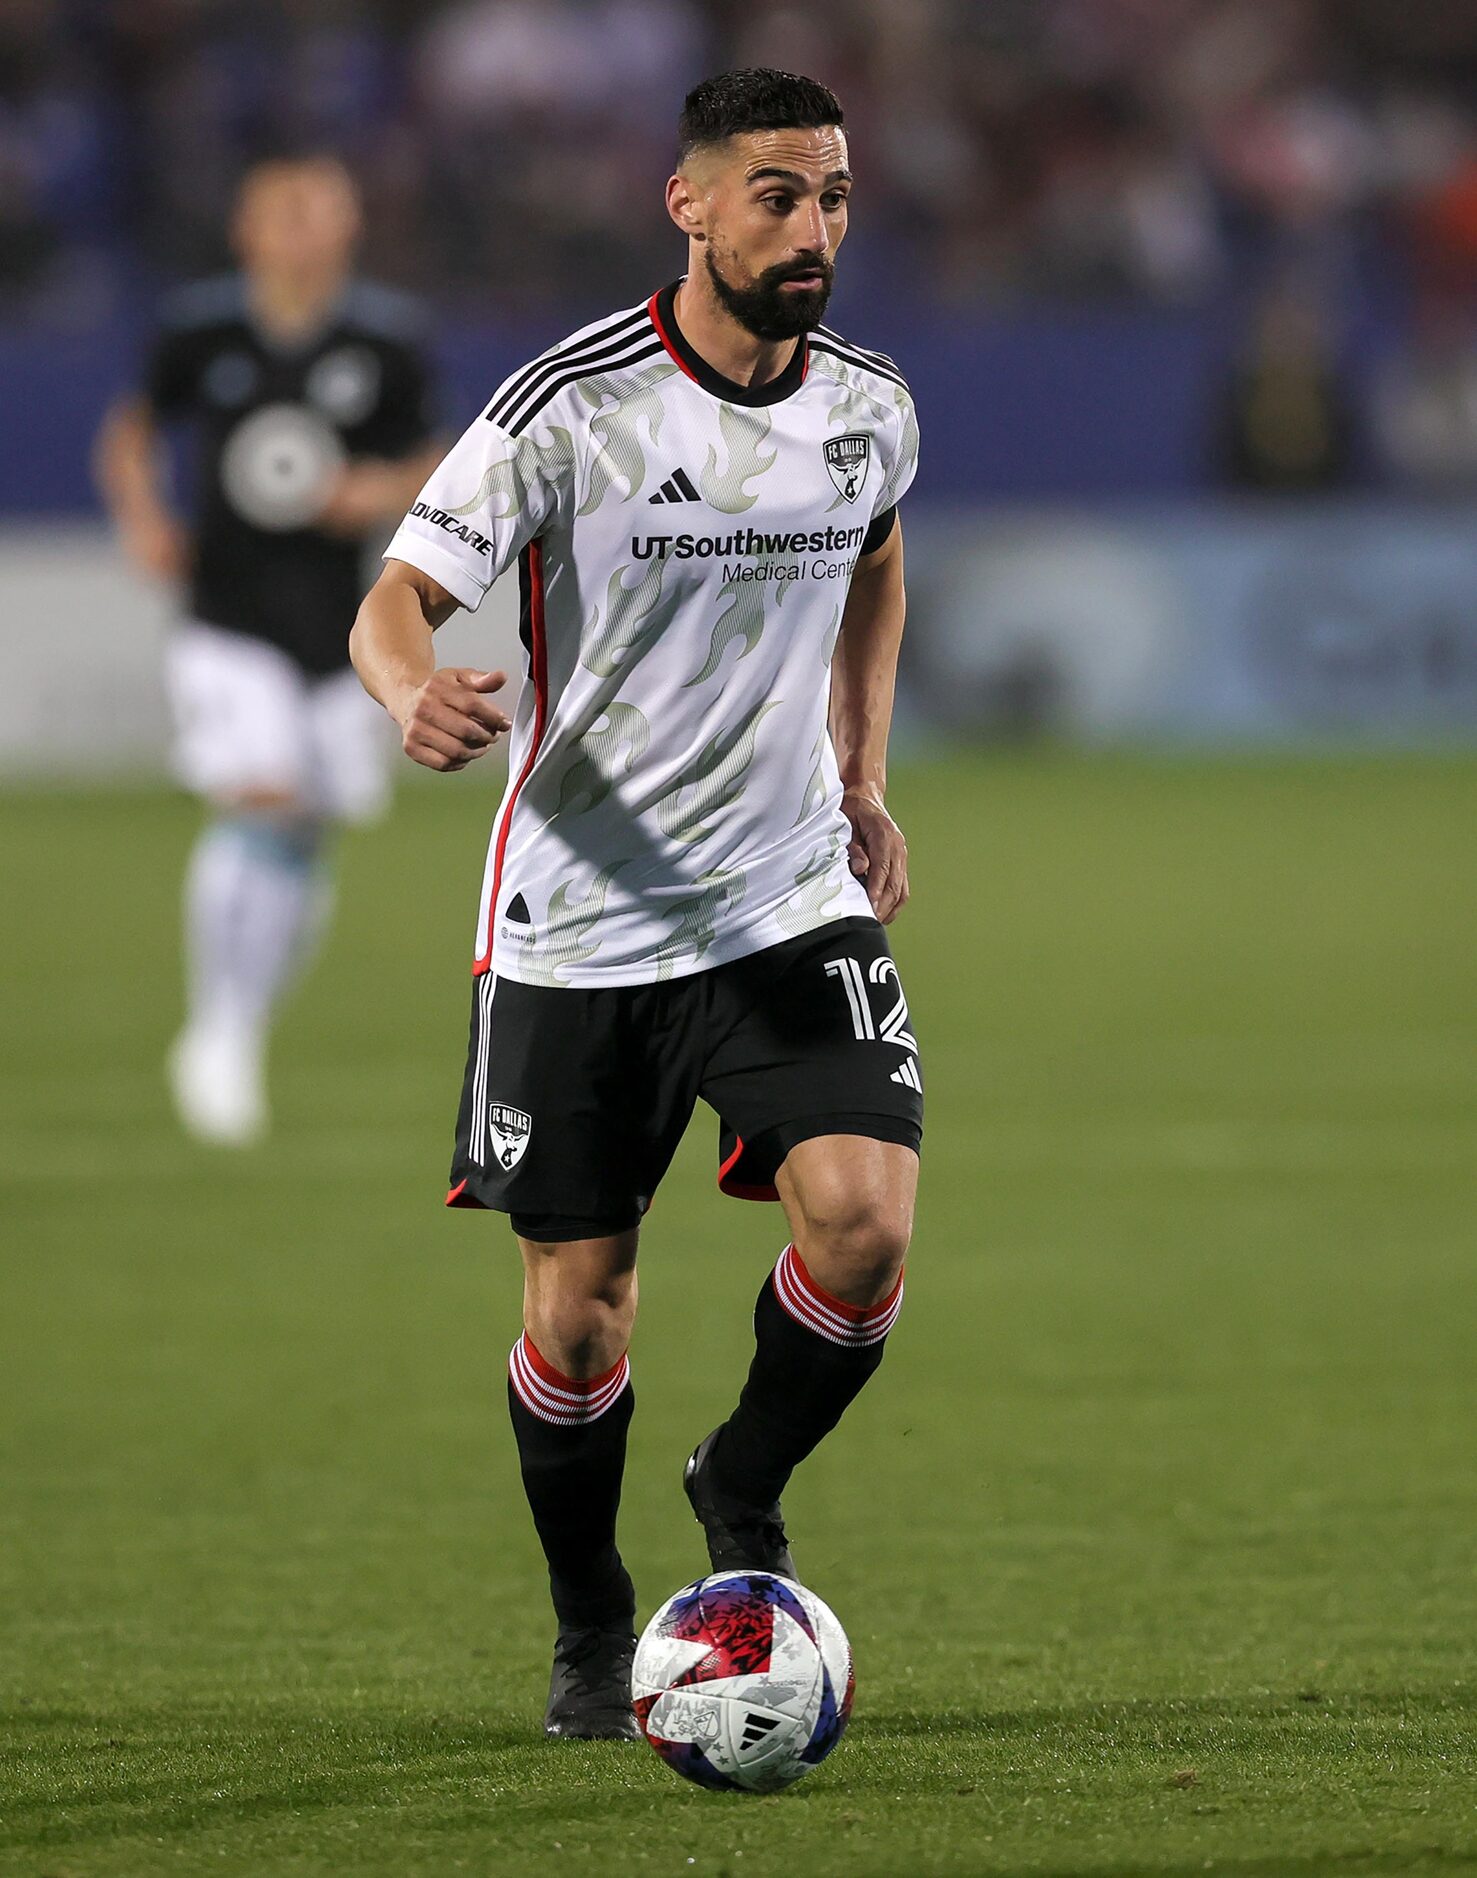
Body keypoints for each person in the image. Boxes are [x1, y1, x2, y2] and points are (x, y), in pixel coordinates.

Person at [351, 69, 921, 1743]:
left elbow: (878, 553)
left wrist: (861, 767)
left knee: (867, 1220)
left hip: (783, 896)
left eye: (829, 194)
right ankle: (594, 1612)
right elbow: (400, 596)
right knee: (578, 1308)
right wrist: (406, 693)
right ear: (686, 205)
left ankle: (739, 1481)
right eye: (774, 194)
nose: (810, 225)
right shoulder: (568, 409)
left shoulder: (872, 404)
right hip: (580, 927)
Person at [95, 154, 443, 1144]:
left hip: (341, 628)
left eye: (318, 214)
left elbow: (435, 460)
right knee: (263, 794)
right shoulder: (199, 329)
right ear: (246, 230)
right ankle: (219, 1034)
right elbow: (131, 431)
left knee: (307, 829)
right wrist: (143, 516)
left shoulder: (385, 340)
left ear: (348, 228)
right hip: (226, 615)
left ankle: (239, 1023)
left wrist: (371, 494)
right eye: (281, 214)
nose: (300, 232)